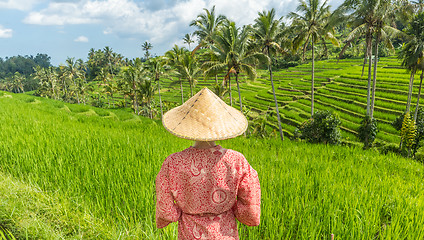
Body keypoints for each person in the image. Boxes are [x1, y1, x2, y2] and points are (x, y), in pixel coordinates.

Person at [156, 87, 261, 239]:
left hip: (189, 231)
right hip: (224, 231)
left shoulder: (173, 162)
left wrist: (176, 213)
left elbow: (166, 210)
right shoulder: (236, 160)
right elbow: (250, 208)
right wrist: (239, 212)